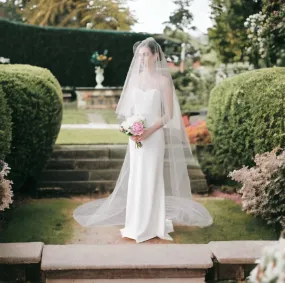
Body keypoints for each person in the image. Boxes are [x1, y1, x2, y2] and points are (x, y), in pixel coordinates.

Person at [73, 37, 213, 243]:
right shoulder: (135, 80)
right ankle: (136, 223)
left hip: (154, 137)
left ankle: (152, 225)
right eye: (140, 55)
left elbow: (168, 115)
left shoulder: (163, 82)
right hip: (137, 137)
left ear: (155, 56)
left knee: (151, 177)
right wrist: (130, 127)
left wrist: (148, 131)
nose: (143, 58)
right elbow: (129, 111)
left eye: (146, 54)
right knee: (137, 177)